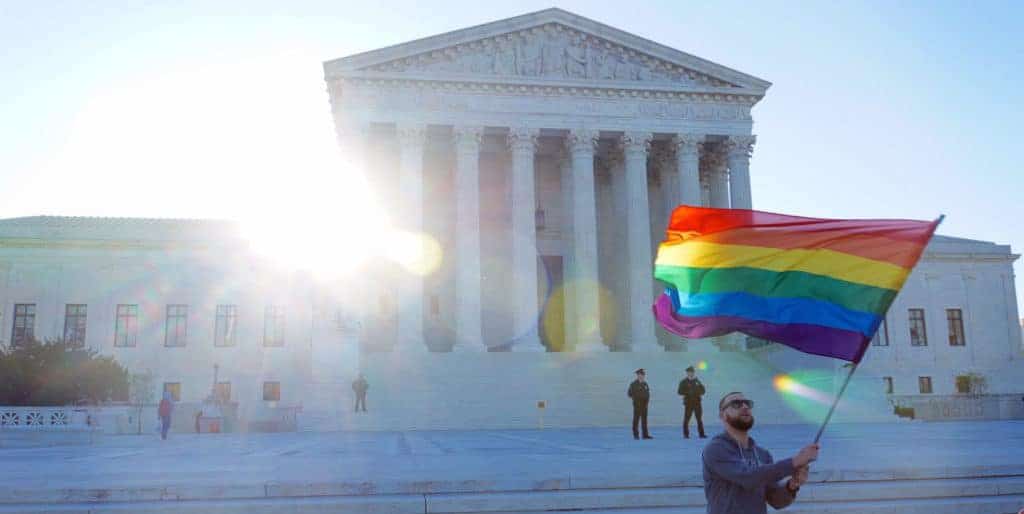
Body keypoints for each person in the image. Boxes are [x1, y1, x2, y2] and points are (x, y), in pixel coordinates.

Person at [702, 392, 817, 514]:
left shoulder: (763, 455)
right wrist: (794, 462)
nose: (745, 406)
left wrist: (792, 486)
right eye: (736, 404)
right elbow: (748, 477)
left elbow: (776, 501)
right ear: (722, 415)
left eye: (748, 403)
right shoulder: (716, 448)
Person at [677, 365, 707, 439]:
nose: (691, 373)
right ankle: (686, 434)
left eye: (692, 372)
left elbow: (703, 390)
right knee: (686, 419)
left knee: (699, 419)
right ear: (687, 373)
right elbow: (679, 392)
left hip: (697, 402)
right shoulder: (683, 382)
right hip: (688, 403)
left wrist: (698, 392)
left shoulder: (697, 381)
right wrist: (687, 392)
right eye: (689, 372)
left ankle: (701, 434)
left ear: (694, 373)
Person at [627, 368, 652, 440]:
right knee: (636, 420)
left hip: (644, 405)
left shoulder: (645, 384)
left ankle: (645, 435)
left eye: (642, 375)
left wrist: (647, 401)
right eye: (639, 375)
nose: (641, 376)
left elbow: (647, 393)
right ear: (637, 375)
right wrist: (636, 398)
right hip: (637, 404)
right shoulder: (633, 384)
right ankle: (636, 435)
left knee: (644, 420)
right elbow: (629, 394)